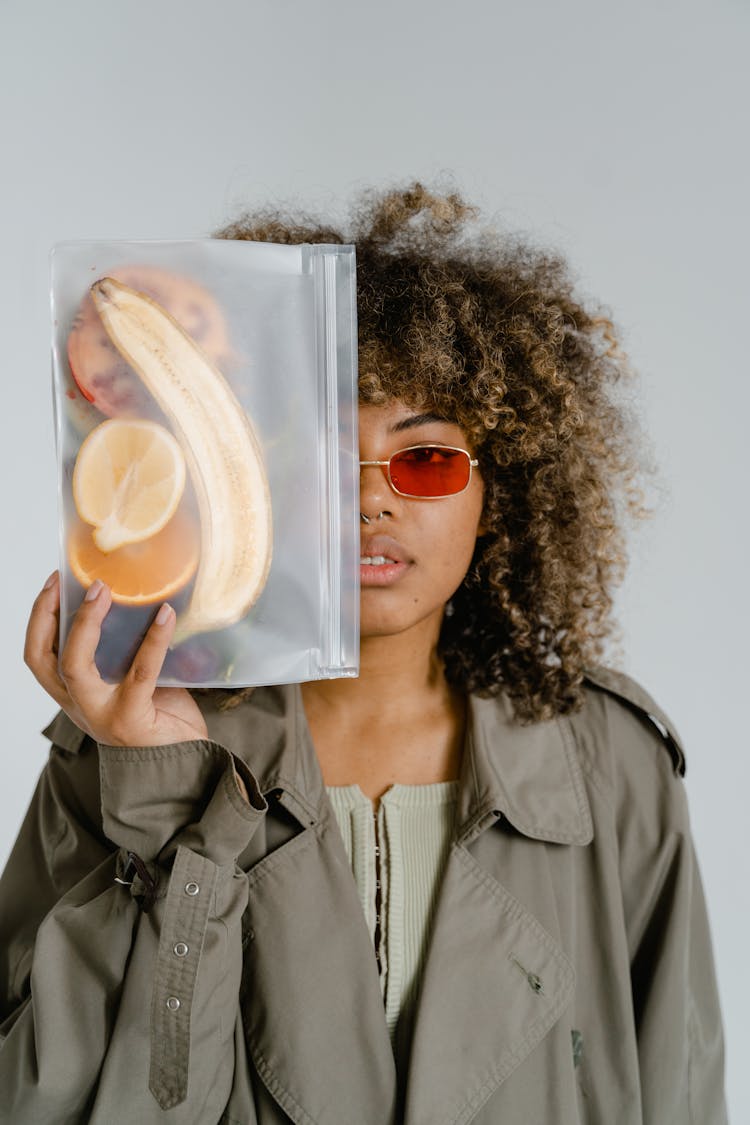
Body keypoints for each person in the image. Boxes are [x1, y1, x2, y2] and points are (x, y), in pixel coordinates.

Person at [0, 183, 727, 1124]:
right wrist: (153, 786)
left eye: (425, 460)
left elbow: (682, 1086)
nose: (371, 502)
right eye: (328, 461)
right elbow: (42, 1099)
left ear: (495, 490)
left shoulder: (614, 764)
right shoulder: (125, 747)